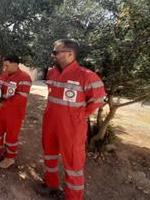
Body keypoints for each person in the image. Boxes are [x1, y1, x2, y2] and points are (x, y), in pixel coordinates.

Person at [39, 39, 106, 199]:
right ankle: (51, 184)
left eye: (56, 52)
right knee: (49, 154)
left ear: (70, 54)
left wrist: (79, 116)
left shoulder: (87, 76)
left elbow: (98, 100)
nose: (53, 55)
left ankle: (73, 197)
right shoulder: (52, 72)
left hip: (72, 128)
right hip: (50, 124)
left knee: (73, 164)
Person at [0, 54, 32, 169]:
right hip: (1, 110)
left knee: (11, 137)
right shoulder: (3, 75)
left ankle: (10, 158)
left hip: (14, 113)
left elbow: (20, 98)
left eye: (7, 66)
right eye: (4, 66)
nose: (5, 68)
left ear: (15, 64)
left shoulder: (25, 78)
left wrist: (4, 104)